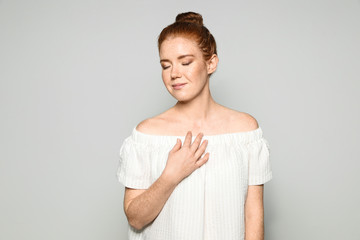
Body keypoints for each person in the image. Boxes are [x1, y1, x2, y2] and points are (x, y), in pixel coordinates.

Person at [117, 11, 273, 240]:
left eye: (186, 62)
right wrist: (170, 176)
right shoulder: (146, 135)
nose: (174, 74)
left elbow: (253, 217)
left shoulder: (245, 132)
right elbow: (136, 219)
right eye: (165, 65)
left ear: (211, 63)